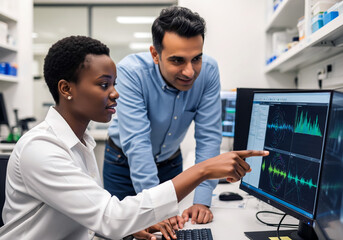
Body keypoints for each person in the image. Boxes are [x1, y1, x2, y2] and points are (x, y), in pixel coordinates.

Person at [0, 35, 268, 240]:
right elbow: (110, 217)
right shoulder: (42, 149)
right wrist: (202, 170)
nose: (116, 93)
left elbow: (90, 215)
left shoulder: (80, 142)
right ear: (66, 88)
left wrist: (129, 229)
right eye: (104, 85)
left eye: (114, 84)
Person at [104, 6, 222, 228]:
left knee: (171, 231)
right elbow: (137, 144)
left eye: (196, 58)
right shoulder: (131, 72)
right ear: (155, 55)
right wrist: (156, 210)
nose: (189, 72)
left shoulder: (209, 71)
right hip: (123, 164)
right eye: (177, 60)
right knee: (123, 231)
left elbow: (209, 136)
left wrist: (202, 200)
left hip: (170, 163)